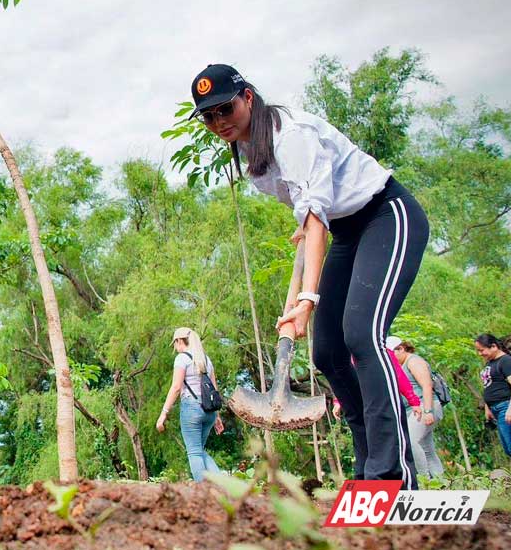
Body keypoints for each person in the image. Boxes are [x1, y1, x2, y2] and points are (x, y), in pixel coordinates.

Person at [189, 64, 429, 489]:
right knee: (329, 353)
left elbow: (316, 214)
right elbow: (309, 213)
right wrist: (305, 227)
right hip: (347, 232)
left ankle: (393, 477)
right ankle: (367, 466)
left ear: (247, 97)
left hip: (386, 216)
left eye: (224, 108)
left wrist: (306, 301)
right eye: (208, 116)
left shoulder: (290, 135)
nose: (218, 121)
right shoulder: (251, 150)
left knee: (362, 335)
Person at [155, 327, 224, 482]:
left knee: (194, 452)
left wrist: (163, 413)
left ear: (180, 341)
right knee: (199, 450)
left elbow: (176, 387)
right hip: (209, 412)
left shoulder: (182, 359)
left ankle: (203, 492)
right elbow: (214, 389)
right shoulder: (206, 360)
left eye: (175, 343)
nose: (175, 347)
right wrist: (217, 417)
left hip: (192, 409)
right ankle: (224, 486)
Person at [390, 337, 444, 478]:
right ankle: (440, 482)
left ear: (401, 349)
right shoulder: (401, 366)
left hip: (425, 407)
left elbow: (427, 386)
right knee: (427, 449)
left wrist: (428, 411)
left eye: (392, 352)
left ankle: (423, 478)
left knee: (410, 442)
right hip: (414, 411)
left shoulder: (413, 361)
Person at [476, 333, 511, 468]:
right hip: (496, 409)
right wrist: (488, 408)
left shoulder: (506, 361)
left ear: (493, 346)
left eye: (482, 350)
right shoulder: (491, 363)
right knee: (508, 447)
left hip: (506, 406)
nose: (480, 354)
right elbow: (489, 385)